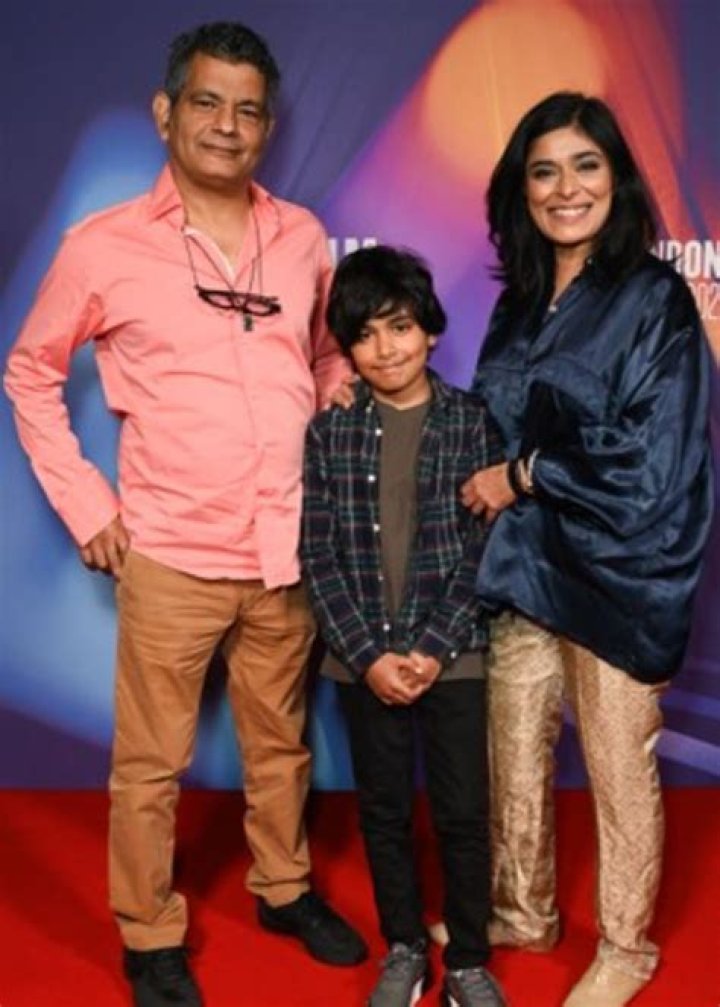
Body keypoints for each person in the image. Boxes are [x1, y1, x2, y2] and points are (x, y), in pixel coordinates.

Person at [4, 21, 367, 1007]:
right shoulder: (103, 244)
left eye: (248, 110)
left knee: (281, 745)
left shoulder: (301, 237)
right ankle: (150, 931)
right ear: (166, 112)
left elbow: (322, 355)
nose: (227, 125)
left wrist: (335, 400)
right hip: (169, 550)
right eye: (207, 102)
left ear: (267, 127)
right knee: (151, 765)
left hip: (286, 548)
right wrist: (86, 502)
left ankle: (284, 888)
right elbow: (29, 373)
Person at [460, 92, 713, 1007]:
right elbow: (485, 424)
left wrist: (525, 474)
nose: (566, 188)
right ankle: (521, 909)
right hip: (524, 567)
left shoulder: (654, 298)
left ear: (618, 177)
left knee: (617, 767)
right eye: (544, 170)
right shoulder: (518, 304)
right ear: (521, 189)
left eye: (586, 165)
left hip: (618, 575)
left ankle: (626, 947)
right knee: (513, 750)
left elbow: (654, 461)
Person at [301, 245, 508, 1007]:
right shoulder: (330, 431)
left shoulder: (472, 421)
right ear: (347, 347)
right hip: (365, 659)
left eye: (399, 326)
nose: (385, 348)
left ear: (429, 329)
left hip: (451, 654)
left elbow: (484, 548)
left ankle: (470, 959)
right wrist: (368, 654)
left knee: (462, 812)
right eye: (364, 335)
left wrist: (432, 645)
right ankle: (405, 947)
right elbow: (317, 553)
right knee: (383, 810)